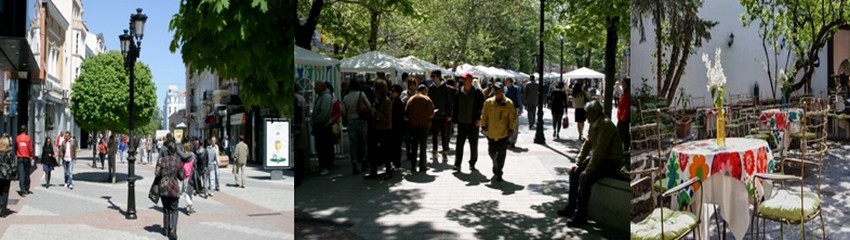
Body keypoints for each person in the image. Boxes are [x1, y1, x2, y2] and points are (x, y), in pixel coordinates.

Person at [557, 100, 624, 227]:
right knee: (574, 172)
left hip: (609, 160)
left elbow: (599, 151)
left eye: (588, 114)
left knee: (585, 179)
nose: (586, 116)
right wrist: (577, 163)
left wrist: (587, 171)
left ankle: (581, 215)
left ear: (595, 113)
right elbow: (587, 144)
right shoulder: (593, 123)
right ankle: (571, 207)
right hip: (599, 158)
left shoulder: (605, 125)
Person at [480, 83, 517, 182]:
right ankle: (495, 163)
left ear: (502, 91)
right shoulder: (488, 102)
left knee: (501, 154)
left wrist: (511, 130)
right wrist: (483, 126)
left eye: (499, 90)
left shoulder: (509, 103)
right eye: (495, 90)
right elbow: (484, 115)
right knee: (491, 152)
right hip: (491, 133)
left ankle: (499, 171)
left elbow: (512, 119)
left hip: (503, 134)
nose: (497, 92)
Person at [452, 73, 485, 172]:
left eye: (465, 79)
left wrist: (479, 119)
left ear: (470, 80)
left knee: (473, 145)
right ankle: (457, 164)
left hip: (473, 123)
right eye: (463, 79)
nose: (464, 81)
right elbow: (455, 107)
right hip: (461, 122)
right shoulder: (459, 92)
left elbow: (482, 106)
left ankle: (472, 163)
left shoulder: (477, 92)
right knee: (459, 145)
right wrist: (454, 120)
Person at [156, 134, 184, 240]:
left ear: (167, 150)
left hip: (163, 187)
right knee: (175, 209)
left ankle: (166, 230)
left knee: (166, 209)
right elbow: (181, 176)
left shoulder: (162, 160)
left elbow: (157, 173)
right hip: (174, 188)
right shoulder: (178, 161)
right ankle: (173, 230)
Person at [366, 79, 393, 180]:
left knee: (385, 151)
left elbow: (387, 118)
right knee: (373, 151)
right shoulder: (376, 99)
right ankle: (373, 172)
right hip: (375, 128)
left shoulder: (387, 101)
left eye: (375, 87)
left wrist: (376, 113)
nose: (373, 89)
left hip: (385, 129)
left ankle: (388, 171)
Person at [343, 79, 371, 174]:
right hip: (361, 120)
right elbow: (369, 106)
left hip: (351, 121)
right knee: (363, 143)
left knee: (353, 144)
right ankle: (364, 162)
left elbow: (344, 112)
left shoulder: (346, 98)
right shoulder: (361, 94)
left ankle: (354, 164)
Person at [406, 84, 435, 172]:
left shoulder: (411, 99)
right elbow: (431, 114)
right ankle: (422, 166)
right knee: (423, 147)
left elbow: (406, 113)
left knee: (414, 147)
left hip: (413, 126)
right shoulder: (427, 99)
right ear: (424, 91)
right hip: (424, 126)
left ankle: (413, 166)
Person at [312, 81, 335, 175]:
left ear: (322, 87)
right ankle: (322, 164)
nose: (314, 89)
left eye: (316, 87)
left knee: (325, 147)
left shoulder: (326, 97)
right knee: (320, 147)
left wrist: (317, 121)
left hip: (324, 125)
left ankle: (327, 166)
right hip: (321, 125)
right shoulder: (322, 96)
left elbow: (324, 112)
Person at [428, 71, 453, 154]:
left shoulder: (445, 88)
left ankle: (445, 149)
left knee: (444, 134)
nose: (432, 78)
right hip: (434, 115)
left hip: (443, 115)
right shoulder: (431, 88)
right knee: (434, 134)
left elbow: (449, 102)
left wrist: (449, 114)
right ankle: (435, 150)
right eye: (431, 76)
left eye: (433, 76)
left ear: (439, 77)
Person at [389, 84, 406, 170]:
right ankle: (394, 163)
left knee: (397, 146)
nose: (391, 93)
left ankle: (397, 164)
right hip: (392, 128)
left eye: (393, 91)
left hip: (397, 128)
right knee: (393, 146)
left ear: (398, 93)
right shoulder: (391, 101)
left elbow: (399, 117)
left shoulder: (399, 103)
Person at [294, 85, 308, 187]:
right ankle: (301, 173)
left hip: (297, 129)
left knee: (297, 153)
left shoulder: (295, 99)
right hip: (302, 128)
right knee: (300, 152)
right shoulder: (302, 98)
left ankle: (297, 175)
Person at [504, 78, 523, 149]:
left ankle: (513, 141)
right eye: (506, 82)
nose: (506, 83)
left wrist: (521, 109)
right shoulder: (505, 89)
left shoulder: (516, 88)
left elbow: (519, 99)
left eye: (507, 82)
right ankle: (507, 140)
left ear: (511, 82)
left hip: (515, 109)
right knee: (506, 125)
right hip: (506, 109)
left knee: (515, 125)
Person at [16, 125, 34, 197]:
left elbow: (16, 148)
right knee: (27, 174)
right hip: (26, 158)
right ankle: (26, 188)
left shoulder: (17, 138)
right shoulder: (28, 138)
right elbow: (30, 149)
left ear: (20, 130)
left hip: (20, 158)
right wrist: (32, 156)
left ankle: (22, 190)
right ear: (26, 130)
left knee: (21, 174)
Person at [180, 142, 196, 215]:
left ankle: (189, 203)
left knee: (185, 193)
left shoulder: (183, 157)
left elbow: (181, 167)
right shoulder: (193, 156)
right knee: (190, 192)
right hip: (192, 176)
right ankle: (189, 208)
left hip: (186, 177)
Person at [0, 133, 12, 217]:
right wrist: (14, 174)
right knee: (5, 192)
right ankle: (3, 212)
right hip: (6, 176)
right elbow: (13, 166)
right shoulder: (9, 154)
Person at [618, 79, 631, 152]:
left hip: (624, 118)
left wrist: (623, 117)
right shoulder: (624, 93)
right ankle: (623, 148)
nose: (622, 85)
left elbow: (627, 107)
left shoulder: (627, 94)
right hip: (621, 118)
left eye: (623, 83)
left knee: (624, 134)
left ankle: (625, 148)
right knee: (620, 134)